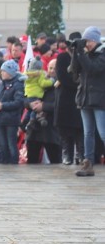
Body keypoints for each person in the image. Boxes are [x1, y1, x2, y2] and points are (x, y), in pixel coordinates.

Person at [70, 26, 105, 176]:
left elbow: (93, 69)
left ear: (96, 41)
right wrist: (75, 52)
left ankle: (89, 162)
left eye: (89, 40)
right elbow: (73, 71)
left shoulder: (102, 54)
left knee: (103, 132)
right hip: (84, 98)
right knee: (88, 133)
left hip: (99, 99)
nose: (87, 44)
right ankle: (88, 163)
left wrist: (80, 53)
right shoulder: (85, 54)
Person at [23, 58, 61, 164]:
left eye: (55, 68)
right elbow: (25, 98)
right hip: (34, 130)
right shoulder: (38, 79)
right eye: (50, 68)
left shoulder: (62, 84)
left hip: (51, 131)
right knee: (32, 162)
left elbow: (62, 106)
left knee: (56, 162)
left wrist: (43, 106)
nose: (52, 70)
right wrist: (30, 104)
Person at [54, 32, 84, 165]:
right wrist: (77, 83)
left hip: (80, 97)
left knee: (80, 128)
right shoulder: (62, 57)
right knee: (65, 129)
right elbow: (62, 76)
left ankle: (80, 154)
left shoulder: (83, 57)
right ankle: (67, 154)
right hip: (66, 97)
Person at [0, 60, 25, 165]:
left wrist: (3, 106)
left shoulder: (18, 84)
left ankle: (13, 162)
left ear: (10, 72)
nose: (2, 73)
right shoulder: (1, 84)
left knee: (11, 143)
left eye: (4, 71)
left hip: (11, 119)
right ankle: (5, 162)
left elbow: (18, 102)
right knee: (2, 143)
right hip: (0, 119)